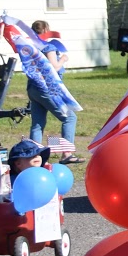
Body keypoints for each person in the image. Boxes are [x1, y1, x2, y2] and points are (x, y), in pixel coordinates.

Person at [26, 20, 78, 163]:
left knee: (37, 124)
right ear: (46, 31)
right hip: (47, 89)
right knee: (69, 118)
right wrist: (62, 59)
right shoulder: (48, 47)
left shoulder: (29, 48)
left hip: (33, 88)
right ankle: (67, 154)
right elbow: (53, 68)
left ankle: (33, 156)